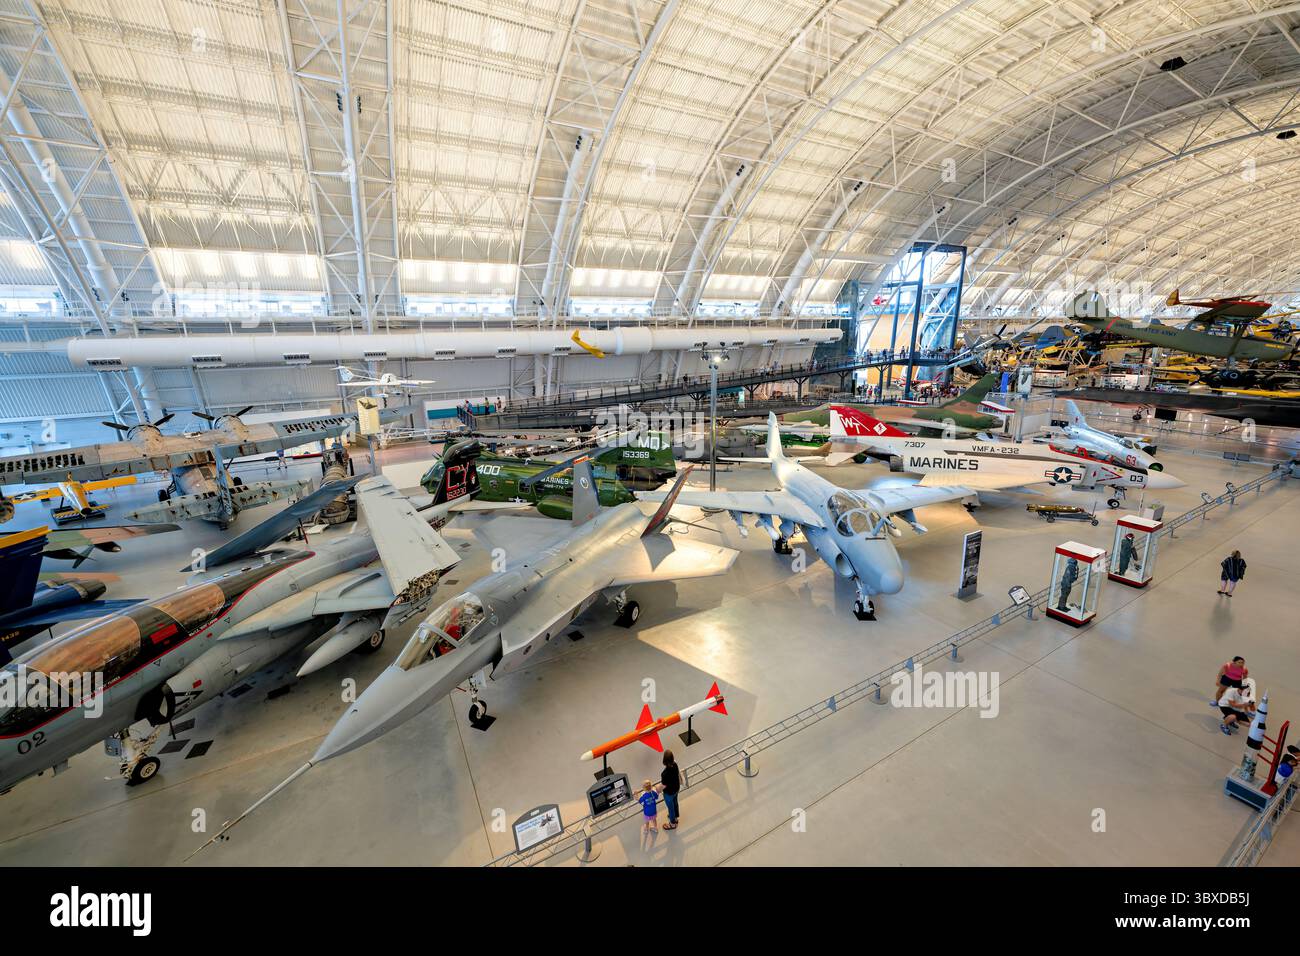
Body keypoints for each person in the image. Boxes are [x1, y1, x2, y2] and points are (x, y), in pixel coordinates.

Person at [660, 751, 681, 830]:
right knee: (675, 803)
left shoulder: (664, 774)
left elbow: (664, 785)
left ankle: (672, 823)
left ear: (664, 760)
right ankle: (675, 817)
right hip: (676, 789)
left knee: (670, 808)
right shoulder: (675, 765)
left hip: (669, 793)